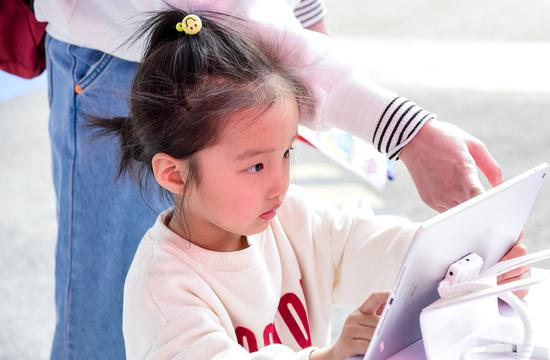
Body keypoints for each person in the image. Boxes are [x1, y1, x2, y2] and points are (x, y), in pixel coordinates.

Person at [33, 0, 522, 358]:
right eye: (255, 165)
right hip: (108, 45)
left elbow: (359, 244)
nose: (280, 183)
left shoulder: (288, 216)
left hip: (236, 32)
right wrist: (325, 357)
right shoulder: (164, 287)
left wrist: (459, 263)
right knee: (95, 341)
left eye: (286, 153)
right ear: (174, 175)